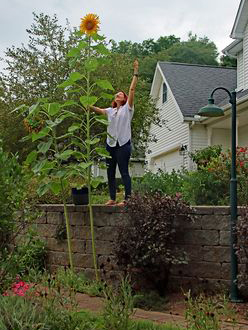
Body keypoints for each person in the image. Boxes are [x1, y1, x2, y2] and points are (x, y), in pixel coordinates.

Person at [89, 59, 139, 206]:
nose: (118, 95)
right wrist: (88, 105)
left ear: (124, 98)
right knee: (110, 173)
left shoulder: (128, 108)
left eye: (121, 94)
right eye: (116, 94)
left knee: (124, 172)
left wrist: (135, 73)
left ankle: (128, 200)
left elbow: (132, 90)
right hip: (110, 144)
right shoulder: (110, 111)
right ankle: (112, 198)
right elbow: (99, 110)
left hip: (123, 144)